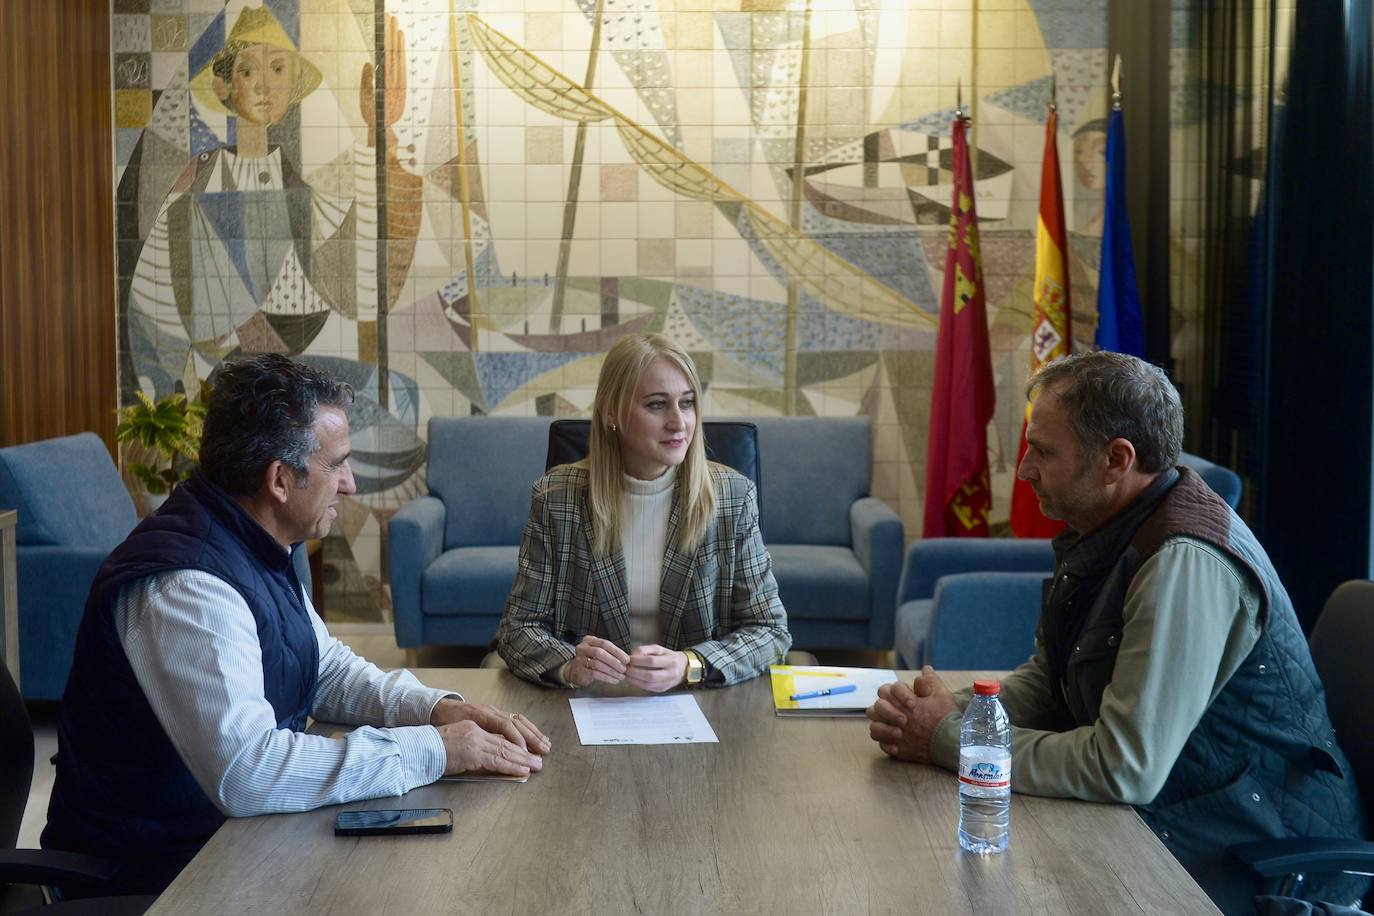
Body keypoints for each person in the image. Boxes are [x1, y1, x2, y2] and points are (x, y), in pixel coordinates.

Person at [867, 350, 1368, 913]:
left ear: (1116, 459)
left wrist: (947, 740)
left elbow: (1122, 766)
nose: (1025, 468)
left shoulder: (1182, 562)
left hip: (1252, 859)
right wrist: (946, 712)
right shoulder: (1109, 526)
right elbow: (1052, 678)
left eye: (1043, 450)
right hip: (1176, 821)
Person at [43, 355, 548, 897]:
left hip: (223, 843)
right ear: (280, 480)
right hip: (157, 877)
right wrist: (435, 748)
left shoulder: (252, 542)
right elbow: (248, 771)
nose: (350, 484)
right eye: (338, 464)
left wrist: (437, 709)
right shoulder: (187, 586)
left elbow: (323, 667)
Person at [497, 334, 791, 689]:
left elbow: (770, 631)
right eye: (656, 405)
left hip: (698, 706)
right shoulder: (557, 498)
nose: (678, 423)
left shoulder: (733, 497)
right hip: (591, 705)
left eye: (686, 403)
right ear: (611, 412)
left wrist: (691, 663)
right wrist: (570, 664)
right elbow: (518, 630)